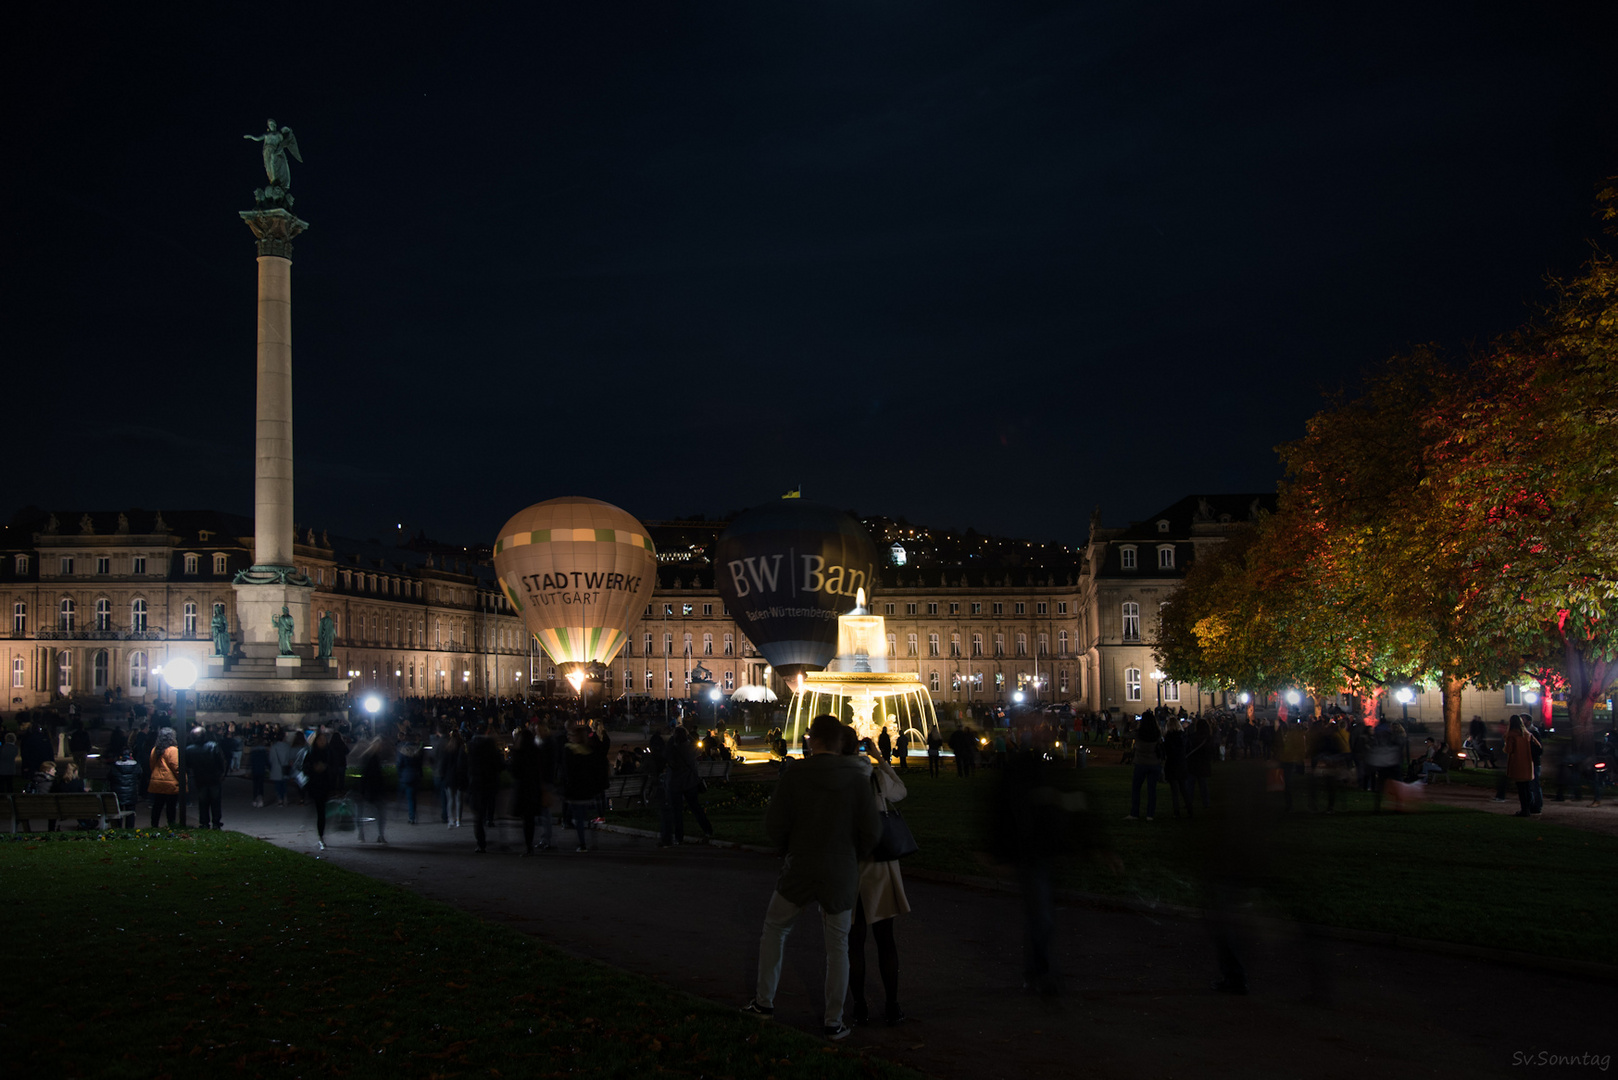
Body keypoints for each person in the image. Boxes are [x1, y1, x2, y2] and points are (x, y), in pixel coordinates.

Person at [742, 714, 883, 1041]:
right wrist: (852, 854)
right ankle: (833, 1021)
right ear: (840, 742)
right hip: (841, 870)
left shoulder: (795, 776)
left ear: (811, 740)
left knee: (775, 929)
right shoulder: (858, 780)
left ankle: (764, 1003)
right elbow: (872, 831)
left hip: (801, 866)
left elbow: (774, 825)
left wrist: (788, 848)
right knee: (838, 947)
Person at [849, 736, 911, 1026]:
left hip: (850, 865)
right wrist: (880, 758)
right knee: (886, 940)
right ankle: (892, 1004)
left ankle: (859, 1005)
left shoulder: (839, 782)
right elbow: (901, 791)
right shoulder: (875, 779)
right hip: (880, 864)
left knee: (854, 941)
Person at [658, 725, 713, 847]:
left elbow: (664, 755)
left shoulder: (672, 750)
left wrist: (672, 739)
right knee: (695, 808)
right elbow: (699, 749)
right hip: (690, 782)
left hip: (674, 783)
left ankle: (679, 837)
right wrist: (689, 736)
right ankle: (707, 829)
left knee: (677, 812)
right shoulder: (691, 748)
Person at [510, 725, 551, 854]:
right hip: (533, 788)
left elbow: (513, 771)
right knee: (531, 818)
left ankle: (528, 844)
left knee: (526, 819)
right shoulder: (536, 752)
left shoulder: (518, 753)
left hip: (522, 789)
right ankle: (533, 842)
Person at [467, 721, 504, 853]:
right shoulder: (491, 747)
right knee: (492, 809)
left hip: (476, 784)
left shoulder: (471, 747)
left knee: (478, 817)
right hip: (490, 782)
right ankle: (500, 839)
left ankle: (481, 843)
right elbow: (500, 765)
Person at [183, 725, 227, 830]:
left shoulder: (189, 749)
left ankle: (204, 822)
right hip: (213, 777)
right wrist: (221, 774)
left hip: (200, 778)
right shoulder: (213, 746)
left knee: (203, 801)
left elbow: (187, 764)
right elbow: (222, 761)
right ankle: (216, 822)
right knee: (215, 801)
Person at [304, 729, 338, 850]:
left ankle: (322, 833)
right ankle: (321, 836)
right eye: (320, 739)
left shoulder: (329, 753)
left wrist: (326, 768)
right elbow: (305, 768)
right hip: (315, 785)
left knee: (323, 811)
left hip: (326, 785)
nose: (322, 742)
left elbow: (335, 767)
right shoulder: (312, 754)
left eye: (324, 740)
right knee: (320, 811)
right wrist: (314, 768)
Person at [356, 734, 391, 843]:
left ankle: (364, 834)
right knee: (379, 813)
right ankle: (377, 835)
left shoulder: (370, 757)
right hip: (371, 789)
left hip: (371, 789)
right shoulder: (371, 757)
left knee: (365, 813)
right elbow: (368, 775)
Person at [1127, 715, 1162, 821]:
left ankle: (1134, 813)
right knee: (1152, 790)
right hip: (1154, 763)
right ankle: (1150, 814)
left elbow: (1126, 734)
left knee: (1136, 789)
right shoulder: (1157, 734)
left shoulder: (1139, 734)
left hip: (1140, 762)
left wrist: (1131, 724)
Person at [1505, 715, 1541, 817]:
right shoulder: (1527, 734)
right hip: (1528, 763)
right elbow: (1538, 746)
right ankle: (1528, 808)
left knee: (1521, 789)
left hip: (1518, 763)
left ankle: (1524, 810)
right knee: (1527, 787)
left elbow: (1508, 750)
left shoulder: (1512, 735)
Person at [148, 728, 181, 828]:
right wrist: (183, 780)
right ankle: (171, 825)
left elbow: (152, 764)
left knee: (157, 805)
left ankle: (154, 825)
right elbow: (176, 767)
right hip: (170, 782)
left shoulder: (155, 750)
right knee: (171, 806)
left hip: (157, 781)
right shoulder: (173, 750)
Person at [1161, 716, 1193, 818]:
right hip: (1182, 764)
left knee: (1174, 791)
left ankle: (1176, 812)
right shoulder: (1183, 736)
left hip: (1172, 764)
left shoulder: (1168, 738)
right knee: (1184, 789)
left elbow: (1165, 752)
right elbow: (1188, 749)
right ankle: (1189, 810)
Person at [107, 745, 141, 828]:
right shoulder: (136, 766)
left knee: (118, 811)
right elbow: (140, 776)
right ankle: (129, 828)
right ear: (130, 754)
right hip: (131, 793)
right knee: (131, 812)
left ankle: (118, 828)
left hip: (117, 794)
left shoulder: (114, 767)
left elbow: (109, 777)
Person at [248, 737, 270, 808]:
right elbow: (266, 761)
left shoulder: (253, 751)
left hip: (255, 769)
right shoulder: (263, 751)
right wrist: (269, 768)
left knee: (255, 785)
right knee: (261, 785)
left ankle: (254, 799)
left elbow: (250, 761)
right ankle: (260, 800)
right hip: (261, 769)